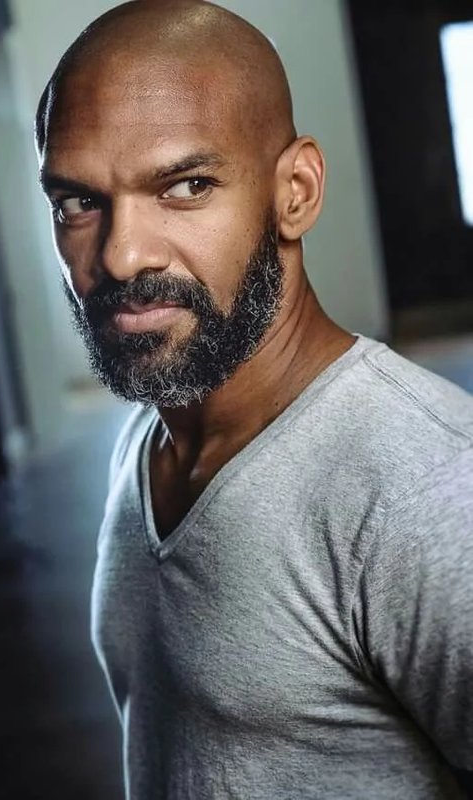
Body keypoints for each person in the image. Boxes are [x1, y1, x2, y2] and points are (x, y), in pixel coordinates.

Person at [35, 1, 473, 797]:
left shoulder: (426, 488)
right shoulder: (146, 443)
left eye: (186, 186)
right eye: (78, 202)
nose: (123, 254)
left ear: (294, 192)